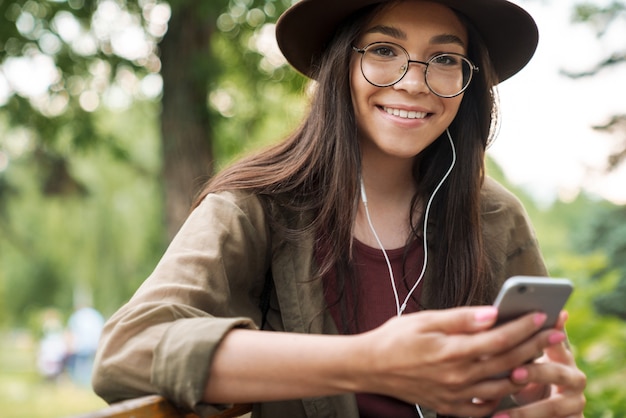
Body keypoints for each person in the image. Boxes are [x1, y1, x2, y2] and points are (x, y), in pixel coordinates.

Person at [92, 0, 587, 417]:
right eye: (385, 50)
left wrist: (538, 396)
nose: (414, 82)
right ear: (340, 64)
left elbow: (529, 382)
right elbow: (127, 351)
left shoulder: (496, 215)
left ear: (469, 80)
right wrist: (369, 360)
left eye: (444, 58)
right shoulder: (254, 206)